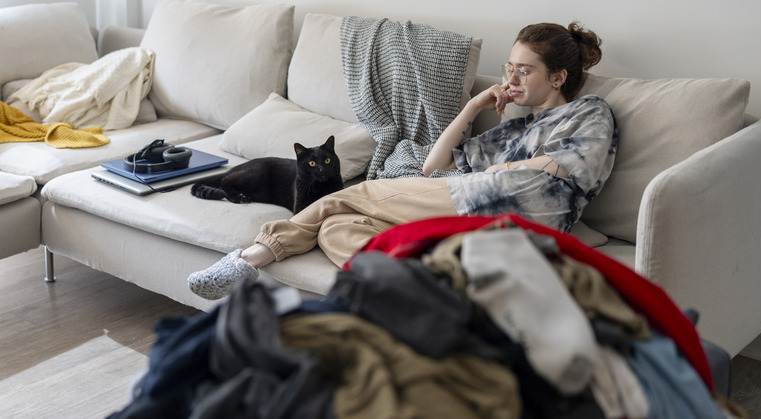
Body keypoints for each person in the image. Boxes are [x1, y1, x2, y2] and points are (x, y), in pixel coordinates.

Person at [188, 22, 618, 300]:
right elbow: (434, 167)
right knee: (339, 228)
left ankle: (251, 257)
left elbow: (570, 167)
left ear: (558, 77)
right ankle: (425, 286)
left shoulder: (589, 110)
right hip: (481, 208)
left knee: (358, 194)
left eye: (524, 71)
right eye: (510, 68)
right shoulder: (514, 128)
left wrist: (499, 172)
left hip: (528, 209)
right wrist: (472, 108)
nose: (510, 80)